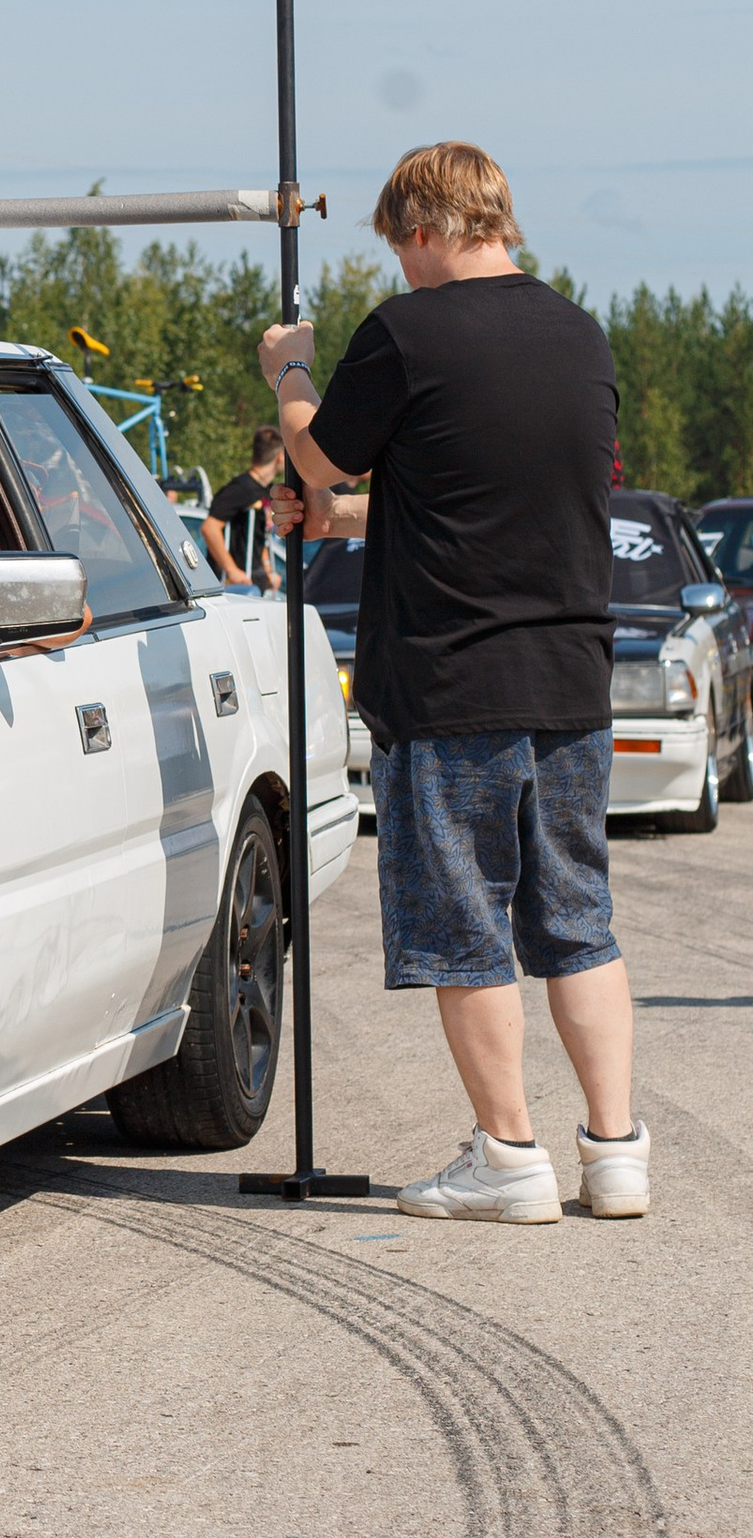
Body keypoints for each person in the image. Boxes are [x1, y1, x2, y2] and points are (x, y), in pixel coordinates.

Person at [266, 138, 642, 1225]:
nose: (398, 271)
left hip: (449, 680)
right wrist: (338, 521)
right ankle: (614, 1152)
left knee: (465, 925)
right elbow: (477, 502)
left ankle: (508, 1156)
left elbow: (316, 454)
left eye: (398, 249)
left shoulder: (406, 332)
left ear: (424, 230)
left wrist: (289, 368)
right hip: (567, 672)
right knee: (578, 919)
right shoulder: (577, 334)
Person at [202, 427, 287, 587]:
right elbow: (209, 528)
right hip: (234, 583)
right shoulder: (242, 488)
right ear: (280, 457)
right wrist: (232, 570)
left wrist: (268, 570)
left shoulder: (264, 490)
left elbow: (261, 533)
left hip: (254, 576)